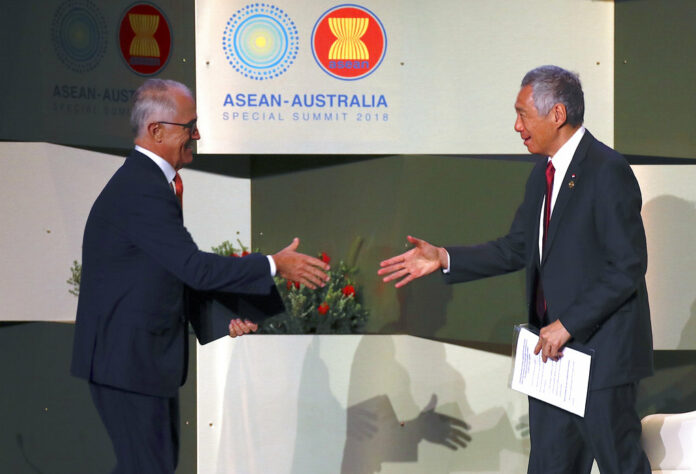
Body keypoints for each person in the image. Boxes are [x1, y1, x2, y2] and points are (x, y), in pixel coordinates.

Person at [378, 65, 653, 473]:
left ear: (557, 115)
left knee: (620, 466)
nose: (516, 125)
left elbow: (627, 266)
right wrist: (445, 258)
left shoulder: (606, 169)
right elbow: (516, 248)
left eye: (523, 114)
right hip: (552, 359)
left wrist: (568, 324)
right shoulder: (541, 175)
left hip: (600, 358)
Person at [71, 78, 330, 473]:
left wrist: (224, 318)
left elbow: (168, 273)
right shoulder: (141, 188)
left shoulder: (152, 183)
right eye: (189, 127)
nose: (197, 135)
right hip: (127, 362)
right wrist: (275, 265)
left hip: (136, 360)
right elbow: (193, 266)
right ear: (156, 130)